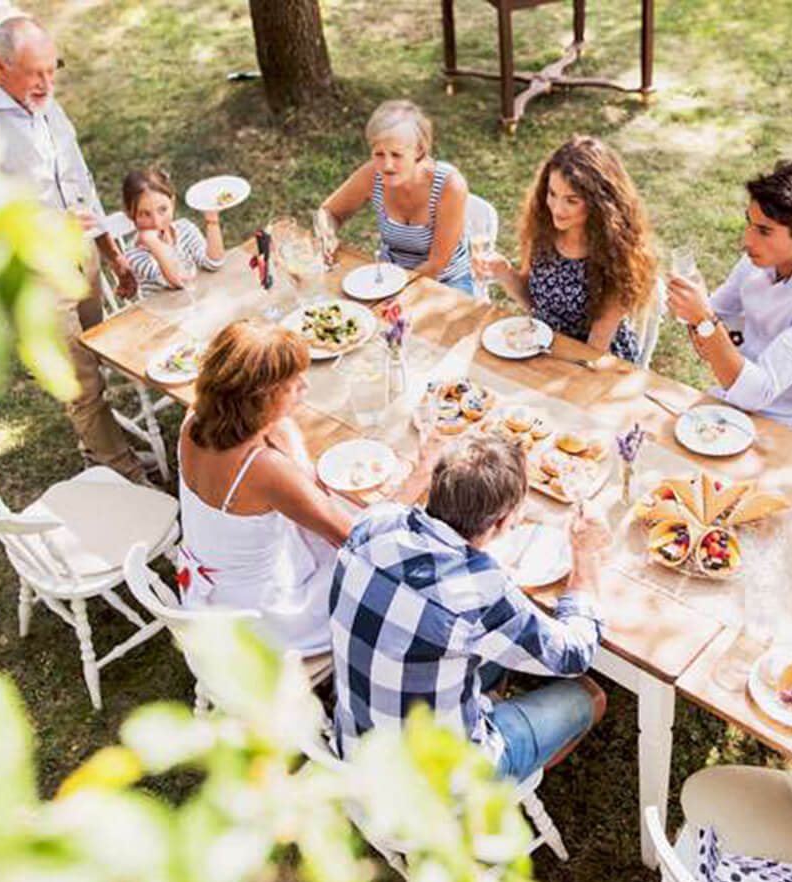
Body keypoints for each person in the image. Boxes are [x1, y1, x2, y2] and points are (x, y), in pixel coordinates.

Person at [330, 434, 610, 781]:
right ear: (503, 522)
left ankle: (484, 703)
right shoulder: (481, 591)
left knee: (482, 654)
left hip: (356, 754)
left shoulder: (371, 524)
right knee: (590, 695)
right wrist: (587, 555)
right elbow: (574, 654)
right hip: (428, 793)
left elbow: (394, 512)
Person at [175, 321, 438, 669]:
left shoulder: (195, 418)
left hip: (215, 586)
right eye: (293, 384)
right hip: (265, 617)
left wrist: (285, 433)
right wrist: (423, 473)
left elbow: (284, 450)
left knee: (337, 504)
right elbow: (363, 544)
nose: (305, 385)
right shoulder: (263, 470)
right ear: (262, 397)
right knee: (395, 563)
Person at [0, 15, 147, 483]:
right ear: (0, 67)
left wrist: (111, 251)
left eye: (52, 70)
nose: (46, 82)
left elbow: (81, 182)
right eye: (36, 72)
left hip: (83, 257)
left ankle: (100, 447)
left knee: (102, 356)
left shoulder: (48, 105)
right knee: (83, 385)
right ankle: (126, 473)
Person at [665, 159, 792, 441]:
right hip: (734, 401)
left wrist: (704, 321)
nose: (748, 240)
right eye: (749, 223)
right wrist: (700, 318)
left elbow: (755, 390)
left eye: (764, 231)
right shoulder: (761, 257)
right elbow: (710, 333)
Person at [475, 136, 658, 363]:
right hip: (541, 345)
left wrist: (545, 364)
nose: (557, 209)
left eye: (572, 201)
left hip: (595, 362)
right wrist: (503, 271)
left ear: (600, 204)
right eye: (552, 194)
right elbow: (535, 303)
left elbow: (596, 345)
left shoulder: (617, 256)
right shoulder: (544, 231)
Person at [317, 100, 473, 294]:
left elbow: (436, 265)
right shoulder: (372, 175)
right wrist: (328, 235)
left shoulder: (449, 186)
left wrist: (390, 293)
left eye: (396, 155)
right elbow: (329, 211)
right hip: (388, 277)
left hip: (445, 282)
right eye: (379, 154)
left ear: (419, 150)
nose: (387, 165)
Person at [120, 168, 225, 296]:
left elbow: (214, 263)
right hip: (165, 314)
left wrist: (212, 221)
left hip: (199, 303)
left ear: (172, 203)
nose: (157, 222)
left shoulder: (185, 229)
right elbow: (179, 281)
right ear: (130, 214)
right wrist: (153, 242)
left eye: (163, 209)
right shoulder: (135, 255)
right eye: (145, 214)